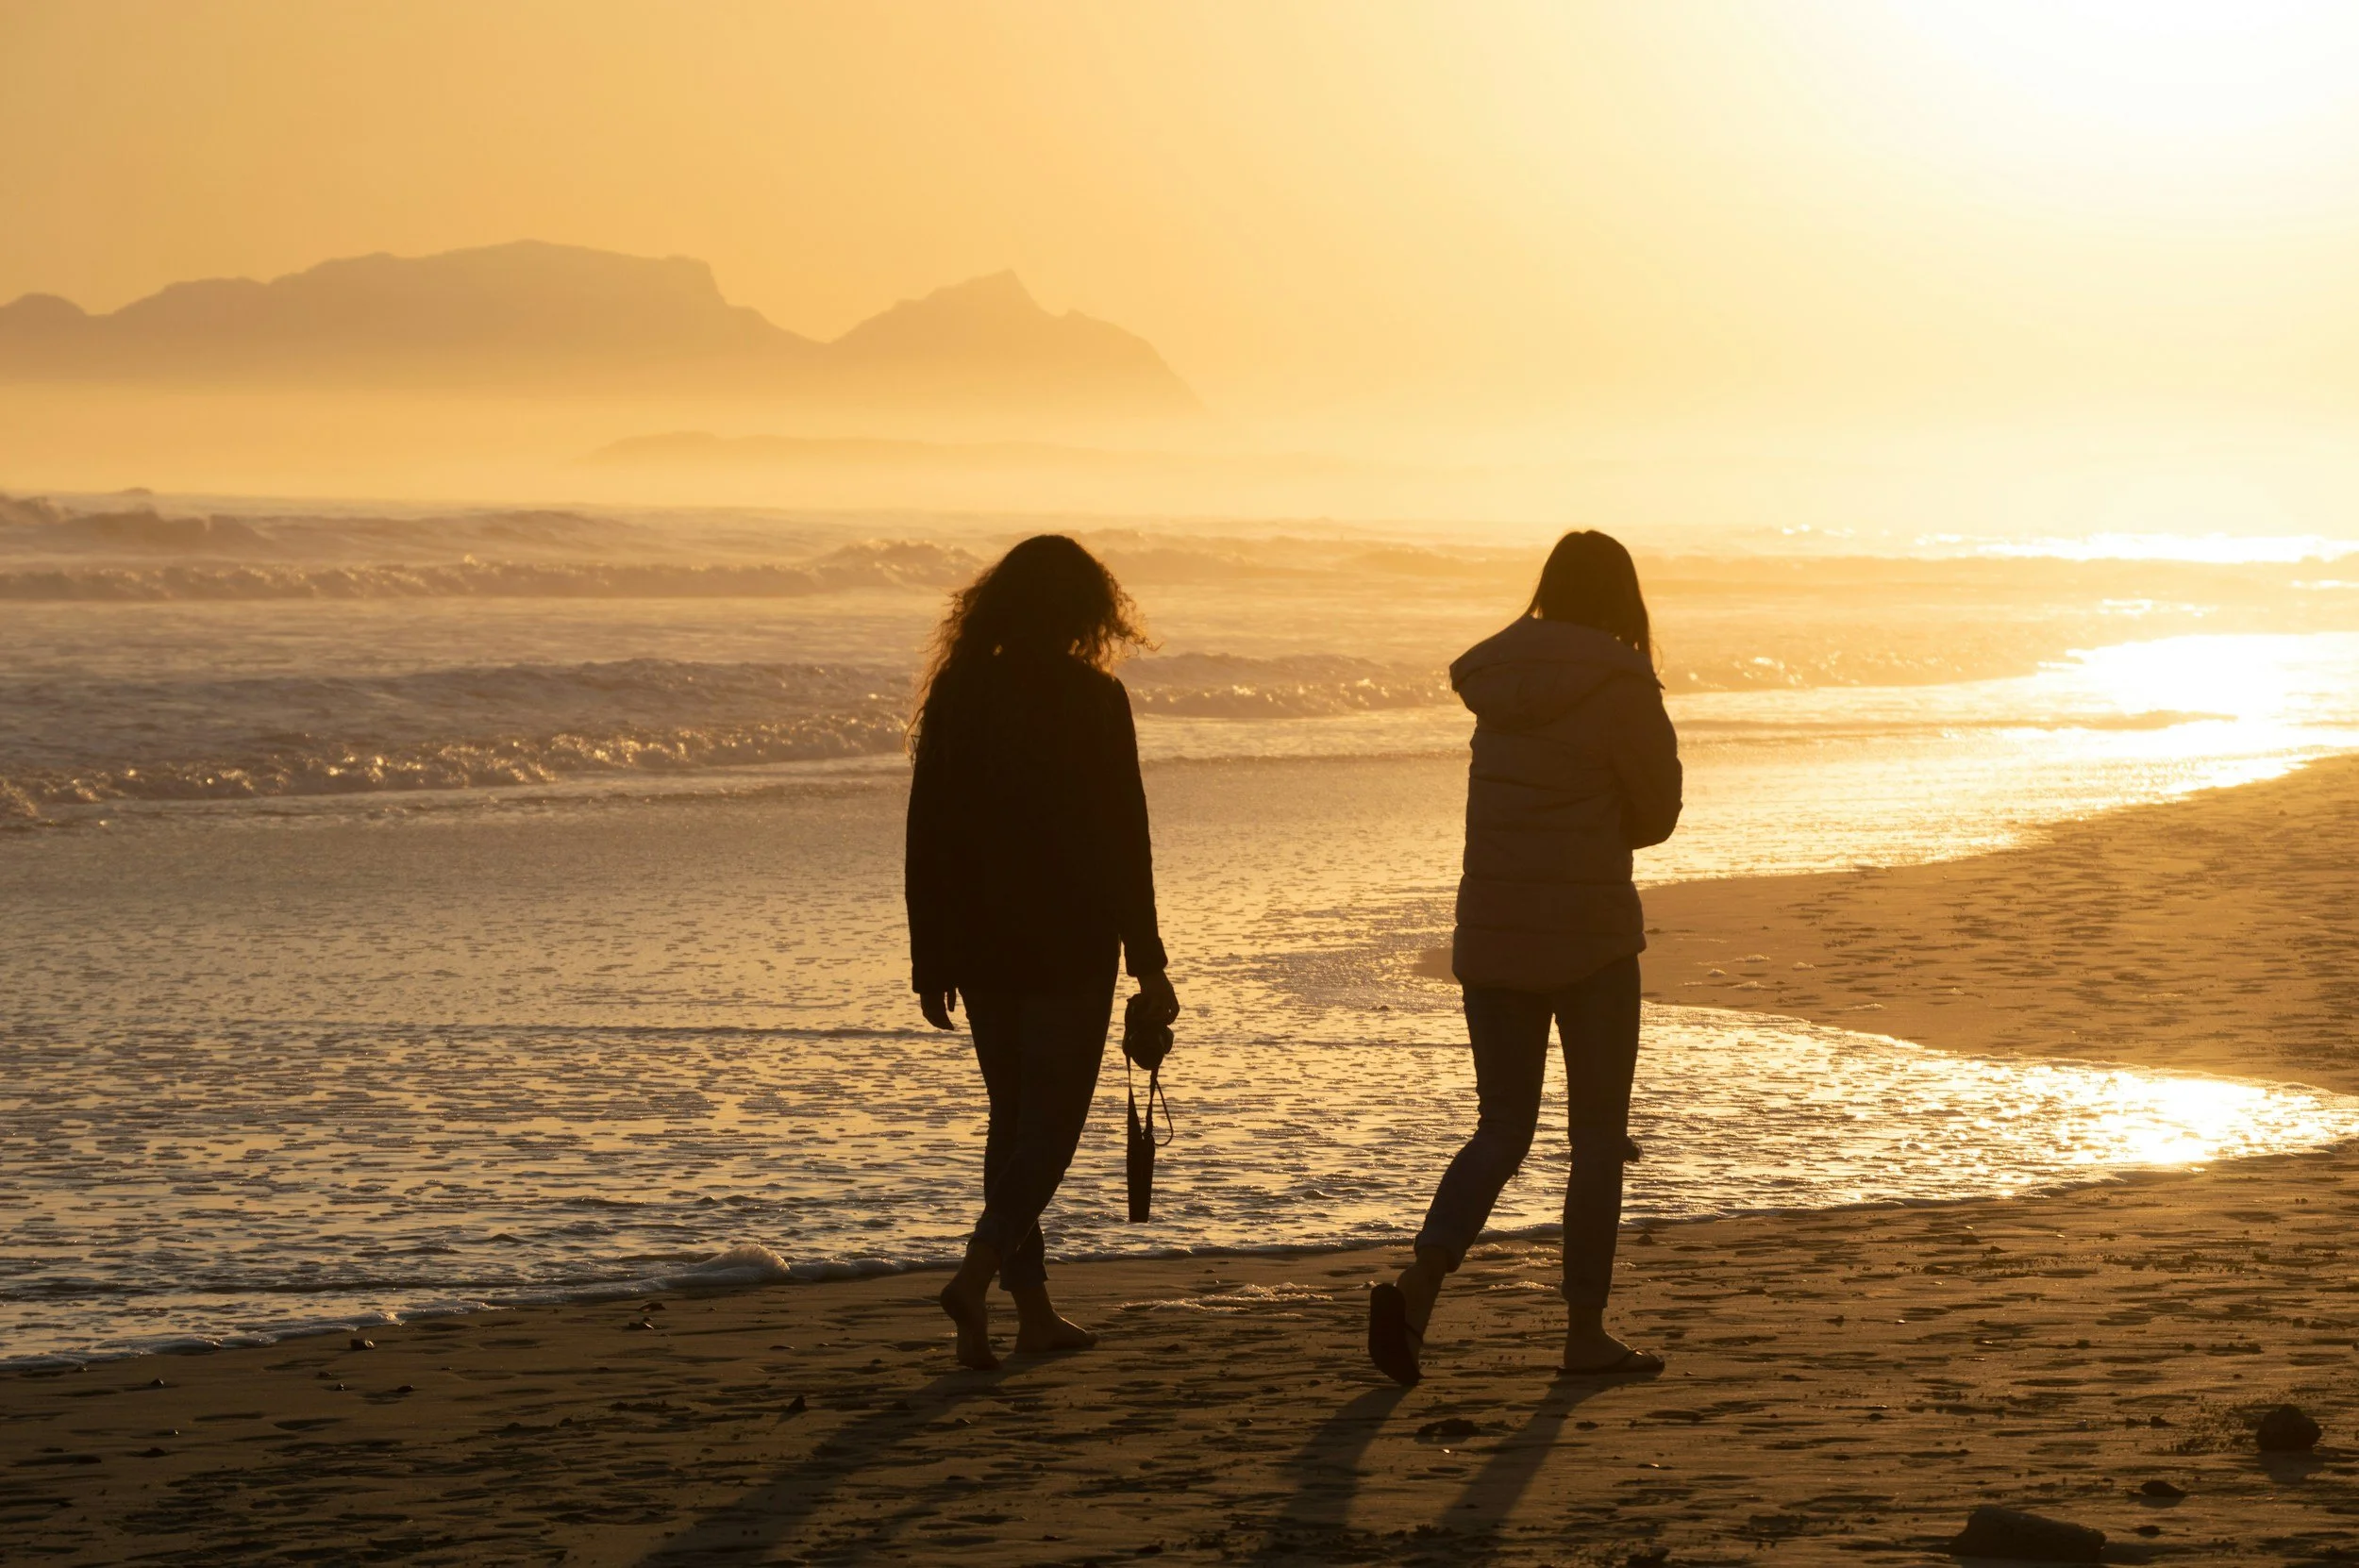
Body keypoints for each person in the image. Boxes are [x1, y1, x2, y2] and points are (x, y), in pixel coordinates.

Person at [1370, 529, 1682, 1385]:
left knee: (1502, 1128)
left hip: (1494, 932)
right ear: (1622, 597)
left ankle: (1421, 1282)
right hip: (1590, 937)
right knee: (1595, 1141)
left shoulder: (1496, 678)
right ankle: (1584, 1332)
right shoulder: (1622, 682)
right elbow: (1657, 817)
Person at [906, 534, 1180, 1371]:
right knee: (1051, 1128)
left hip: (983, 942)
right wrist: (1149, 958)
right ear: (1085, 611)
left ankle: (1030, 1313)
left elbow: (929, 832)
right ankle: (978, 1269)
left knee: (1014, 1119)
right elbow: (1124, 838)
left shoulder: (960, 692)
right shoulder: (1094, 699)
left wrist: (930, 953)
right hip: (1070, 937)